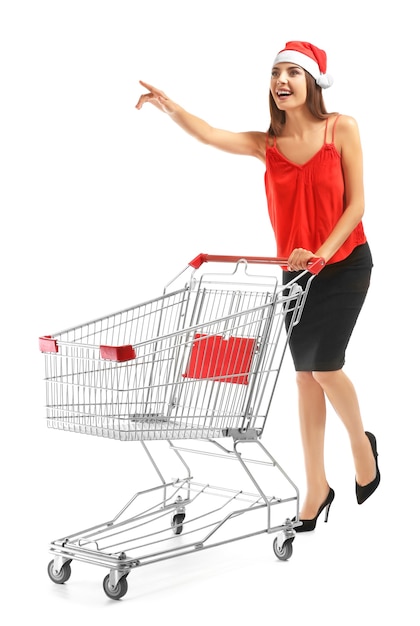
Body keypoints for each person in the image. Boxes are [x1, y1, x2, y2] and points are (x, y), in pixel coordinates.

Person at [135, 40, 380, 531]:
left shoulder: (342, 128)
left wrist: (322, 254)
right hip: (295, 277)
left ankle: (361, 445)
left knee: (326, 369)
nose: (281, 81)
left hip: (345, 264)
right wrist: (170, 107)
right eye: (275, 73)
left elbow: (357, 206)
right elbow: (209, 134)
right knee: (304, 377)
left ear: (312, 82)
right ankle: (316, 485)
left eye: (292, 72)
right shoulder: (267, 144)